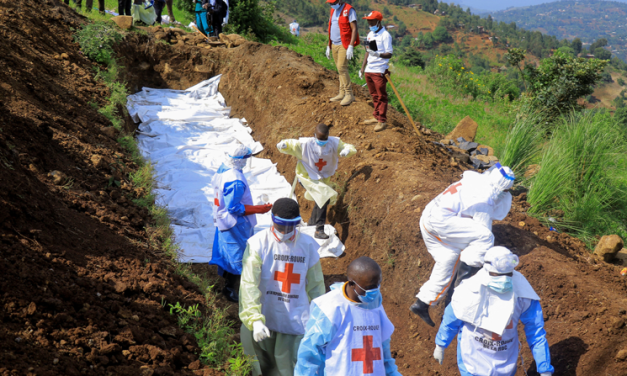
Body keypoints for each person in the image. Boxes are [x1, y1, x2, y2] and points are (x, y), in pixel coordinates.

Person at [410, 163, 515, 327]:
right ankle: (459, 292)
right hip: (441, 223)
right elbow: (483, 229)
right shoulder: (485, 199)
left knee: (448, 258)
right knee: (485, 237)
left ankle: (422, 303)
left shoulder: (474, 179)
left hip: (428, 220)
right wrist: (484, 260)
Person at [434, 247, 554, 376]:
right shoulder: (469, 291)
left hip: (505, 363)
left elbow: (535, 330)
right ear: (487, 270)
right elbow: (451, 319)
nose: (503, 280)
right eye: (497, 275)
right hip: (473, 361)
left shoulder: (522, 293)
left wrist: (544, 368)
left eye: (508, 275)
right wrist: (441, 344)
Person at [239, 198, 326, 376]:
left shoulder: (308, 246)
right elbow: (249, 284)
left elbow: (316, 286)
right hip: (264, 312)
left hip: (294, 316)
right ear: (273, 220)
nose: (286, 231)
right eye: (281, 226)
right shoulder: (258, 244)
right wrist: (254, 319)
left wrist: (320, 319)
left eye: (291, 226)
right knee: (260, 363)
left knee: (290, 367)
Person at [294, 256, 402, 376]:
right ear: (352, 284)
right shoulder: (330, 308)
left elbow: (383, 349)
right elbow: (309, 354)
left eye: (377, 285)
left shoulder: (376, 305)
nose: (375, 291)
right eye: (369, 287)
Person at [210, 144, 272, 302]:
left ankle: (225, 279)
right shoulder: (236, 181)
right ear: (239, 160)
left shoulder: (223, 169)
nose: (246, 162)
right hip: (234, 224)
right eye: (245, 159)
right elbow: (234, 208)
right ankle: (230, 288)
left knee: (226, 251)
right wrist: (259, 209)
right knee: (237, 255)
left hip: (222, 219)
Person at [276, 123, 356, 239]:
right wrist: (283, 145)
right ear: (314, 136)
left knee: (321, 197)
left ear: (328, 136)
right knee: (324, 196)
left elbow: (347, 147)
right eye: (320, 139)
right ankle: (319, 229)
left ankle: (312, 223)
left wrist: (347, 151)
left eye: (324, 139)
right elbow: (291, 144)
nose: (322, 142)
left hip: (322, 179)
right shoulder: (306, 144)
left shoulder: (333, 143)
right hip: (306, 178)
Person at [359, 11, 393, 133]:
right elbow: (368, 51)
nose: (369, 23)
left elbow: (389, 53)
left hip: (379, 69)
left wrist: (378, 54)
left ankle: (382, 120)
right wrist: (363, 68)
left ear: (378, 21)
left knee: (381, 95)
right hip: (369, 69)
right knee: (373, 95)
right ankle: (376, 116)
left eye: (372, 21)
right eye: (368, 21)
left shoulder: (385, 35)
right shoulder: (370, 34)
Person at [326, 0, 360, 106]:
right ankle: (342, 92)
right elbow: (331, 27)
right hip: (334, 44)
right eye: (330, 3)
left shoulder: (349, 10)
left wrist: (350, 46)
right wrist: (329, 45)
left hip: (343, 44)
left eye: (334, 2)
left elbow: (354, 29)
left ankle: (349, 94)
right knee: (339, 69)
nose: (332, 4)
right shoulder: (333, 10)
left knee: (342, 67)